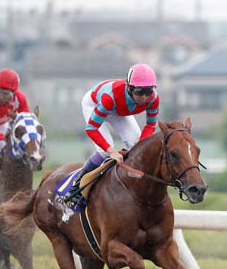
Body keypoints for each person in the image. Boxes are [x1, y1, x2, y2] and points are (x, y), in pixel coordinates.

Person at [63, 63, 160, 206]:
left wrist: (140, 147)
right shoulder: (110, 97)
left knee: (136, 145)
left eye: (148, 91)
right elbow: (91, 129)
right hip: (96, 104)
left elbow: (150, 126)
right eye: (140, 92)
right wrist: (112, 151)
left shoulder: (153, 99)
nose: (144, 97)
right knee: (104, 151)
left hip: (119, 109)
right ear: (129, 88)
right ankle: (76, 188)